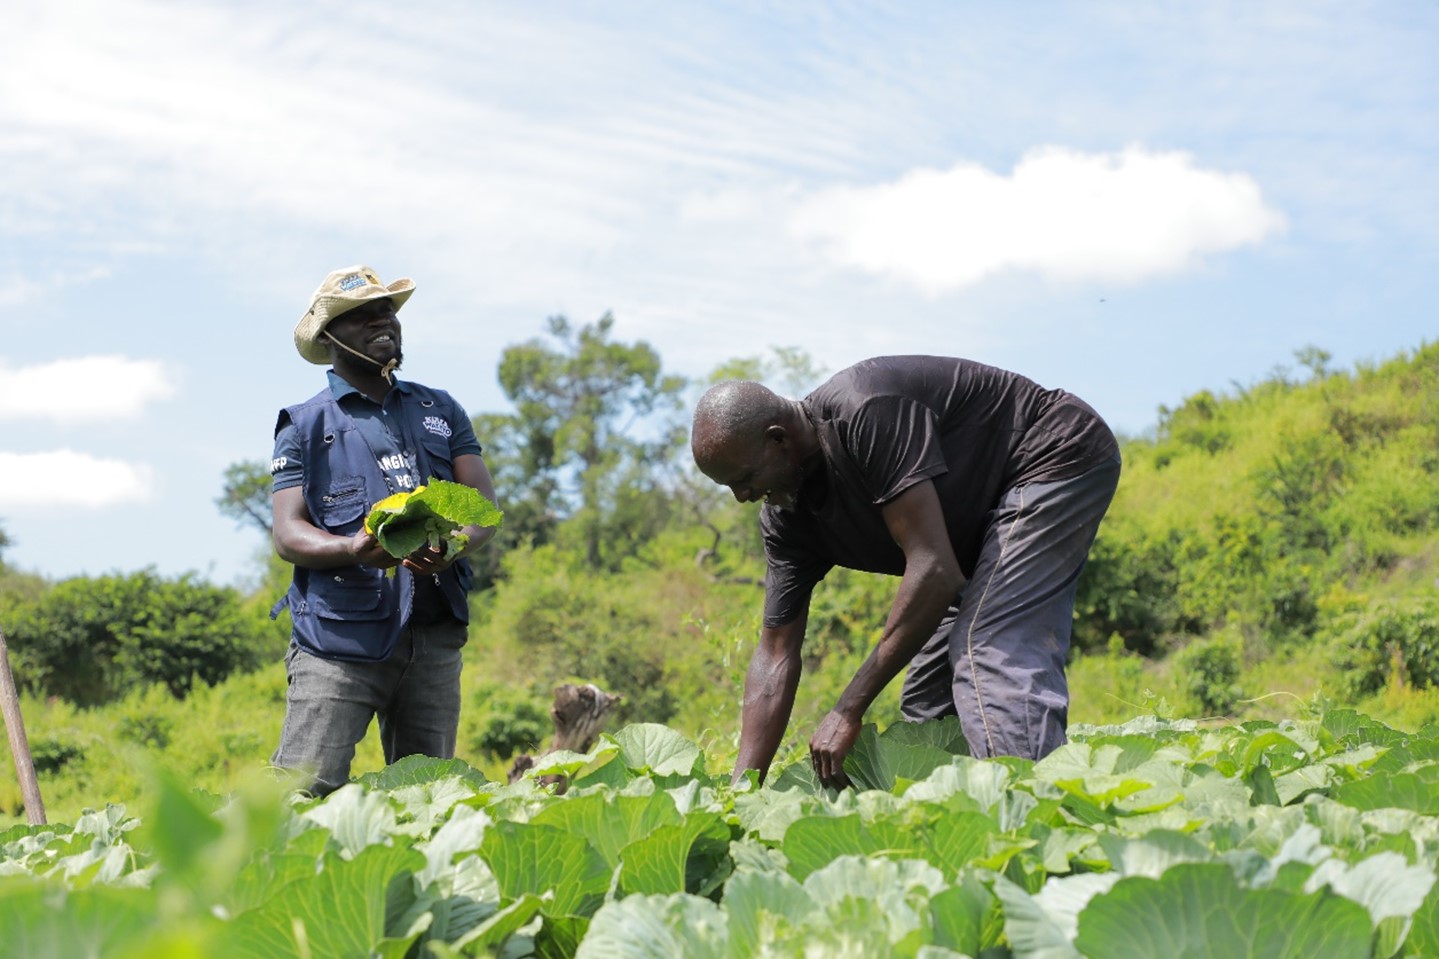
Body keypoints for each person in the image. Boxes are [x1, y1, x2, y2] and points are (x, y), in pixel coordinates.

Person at [691, 355, 1120, 788]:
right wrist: (741, 792)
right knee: (928, 706)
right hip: (965, 541)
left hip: (1050, 456)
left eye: (744, 478)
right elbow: (775, 654)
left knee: (986, 649)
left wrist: (847, 708)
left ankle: (1036, 813)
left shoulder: (865, 411)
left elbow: (934, 570)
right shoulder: (786, 520)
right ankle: (957, 831)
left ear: (779, 440)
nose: (742, 497)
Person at [268, 265, 498, 796]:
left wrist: (456, 544)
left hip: (434, 636)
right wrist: (353, 547)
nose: (383, 322)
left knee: (426, 798)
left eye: (387, 311)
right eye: (361, 315)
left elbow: (482, 505)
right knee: (301, 794)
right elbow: (288, 534)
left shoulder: (439, 408)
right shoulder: (305, 424)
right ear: (329, 337)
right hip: (338, 641)